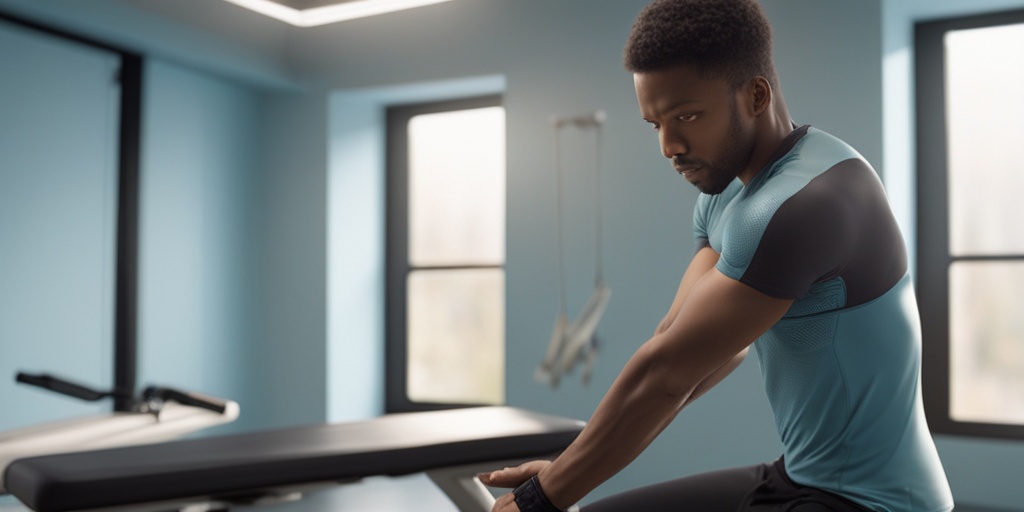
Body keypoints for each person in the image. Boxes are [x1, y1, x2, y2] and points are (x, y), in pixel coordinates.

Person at [479, 0, 955, 510]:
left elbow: (667, 374)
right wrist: (566, 472)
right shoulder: (724, 195)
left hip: (878, 501)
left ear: (755, 94)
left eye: (687, 116)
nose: (669, 145)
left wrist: (542, 497)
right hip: (799, 475)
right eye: (654, 124)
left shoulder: (805, 203)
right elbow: (680, 344)